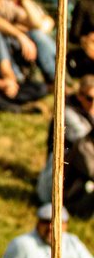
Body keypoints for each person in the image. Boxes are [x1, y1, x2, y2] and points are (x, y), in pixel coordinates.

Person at [37, 74, 94, 216]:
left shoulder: (89, 111)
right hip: (59, 172)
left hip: (80, 172)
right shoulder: (66, 112)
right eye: (90, 98)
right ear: (80, 95)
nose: (93, 103)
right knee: (83, 146)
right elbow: (85, 140)